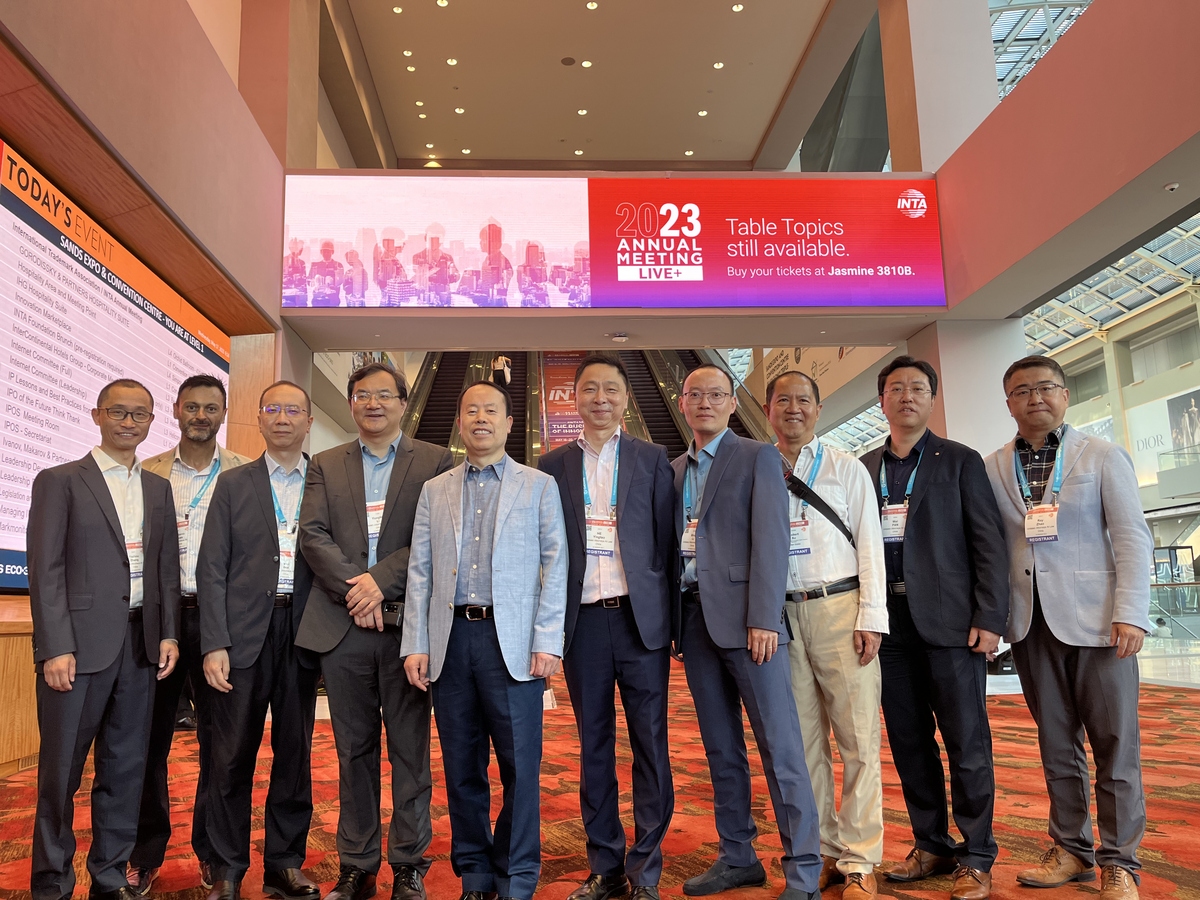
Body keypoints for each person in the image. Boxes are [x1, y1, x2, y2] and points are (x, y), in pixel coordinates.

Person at [984, 356, 1152, 900]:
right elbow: (990, 549)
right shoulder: (992, 466)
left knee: (1114, 744)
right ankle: (1072, 848)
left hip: (1100, 623)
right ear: (1008, 403)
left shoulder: (1101, 455)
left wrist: (1131, 611)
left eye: (1045, 387)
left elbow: (1131, 536)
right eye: (1022, 391)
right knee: (1057, 744)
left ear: (1065, 394)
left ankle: (1120, 861)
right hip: (1030, 623)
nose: (1034, 398)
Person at [402, 380, 568, 900]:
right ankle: (474, 874)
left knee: (520, 766)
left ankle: (516, 875)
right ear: (459, 423)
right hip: (451, 642)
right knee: (461, 767)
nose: (480, 418)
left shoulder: (538, 486)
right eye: (471, 410)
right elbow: (420, 571)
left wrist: (548, 639)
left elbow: (556, 565)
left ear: (509, 423)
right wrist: (415, 642)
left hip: (511, 644)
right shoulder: (436, 490)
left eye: (490, 410)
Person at [296, 362, 453, 900]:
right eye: (363, 394)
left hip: (407, 630)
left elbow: (436, 535)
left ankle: (409, 863)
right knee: (352, 752)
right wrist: (356, 592)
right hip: (342, 630)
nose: (373, 403)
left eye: (385, 394)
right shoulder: (325, 462)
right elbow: (312, 535)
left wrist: (377, 583)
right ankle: (357, 864)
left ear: (403, 402)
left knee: (410, 752)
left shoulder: (436, 460)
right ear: (351, 402)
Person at [859, 356, 1009, 900]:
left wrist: (990, 618)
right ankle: (931, 844)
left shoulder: (959, 460)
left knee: (967, 742)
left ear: (931, 398)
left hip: (951, 626)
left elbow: (988, 543)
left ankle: (977, 855)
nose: (906, 396)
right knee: (909, 741)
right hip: (886, 627)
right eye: (896, 388)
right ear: (882, 400)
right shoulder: (863, 467)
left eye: (917, 388)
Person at [671, 364, 822, 900]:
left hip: (751, 625)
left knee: (780, 748)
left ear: (733, 404)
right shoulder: (675, 469)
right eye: (695, 394)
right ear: (682, 402)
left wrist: (764, 617)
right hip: (695, 624)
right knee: (720, 750)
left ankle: (804, 871)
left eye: (717, 394)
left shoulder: (758, 456)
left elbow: (773, 541)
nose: (705, 402)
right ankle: (738, 857)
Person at [28, 378, 181, 900]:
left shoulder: (158, 489)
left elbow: (165, 569)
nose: (129, 422)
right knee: (60, 776)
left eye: (140, 414)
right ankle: (52, 883)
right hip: (77, 650)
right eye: (118, 412)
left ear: (151, 422)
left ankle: (110, 878)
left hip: (141, 648)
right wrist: (54, 646)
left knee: (125, 770)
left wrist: (168, 634)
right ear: (97, 415)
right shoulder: (60, 481)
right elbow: (45, 570)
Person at [537, 356, 676, 900]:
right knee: (594, 746)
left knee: (650, 745)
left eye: (611, 389)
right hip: (584, 625)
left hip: (641, 622)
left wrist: (672, 624)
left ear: (625, 398)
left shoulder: (652, 458)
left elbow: (666, 545)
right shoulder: (552, 466)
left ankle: (646, 870)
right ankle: (606, 866)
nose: (601, 398)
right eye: (590, 389)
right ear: (573, 397)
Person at [762, 371, 887, 900]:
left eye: (804, 400)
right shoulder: (758, 468)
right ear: (767, 409)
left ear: (818, 408)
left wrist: (871, 616)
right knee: (803, 744)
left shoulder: (845, 467)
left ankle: (860, 859)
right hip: (781, 618)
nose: (794, 408)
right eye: (783, 400)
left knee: (858, 739)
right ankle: (823, 851)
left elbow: (870, 542)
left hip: (840, 607)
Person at [198, 382, 321, 900]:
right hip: (243, 634)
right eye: (273, 409)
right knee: (229, 757)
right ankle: (226, 868)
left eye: (294, 409)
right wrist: (214, 642)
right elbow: (212, 566)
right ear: (259, 419)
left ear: (308, 420)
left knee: (295, 754)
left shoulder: (327, 481)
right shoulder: (233, 483)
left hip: (305, 631)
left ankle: (283, 864)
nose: (283, 418)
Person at [129, 375, 251, 896]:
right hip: (158, 619)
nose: (201, 415)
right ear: (176, 410)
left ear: (223, 413)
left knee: (222, 747)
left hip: (223, 621)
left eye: (211, 408)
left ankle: (216, 857)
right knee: (146, 742)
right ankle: (144, 853)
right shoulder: (147, 471)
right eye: (192, 407)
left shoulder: (245, 472)